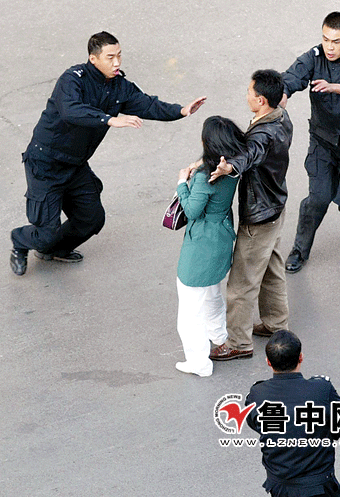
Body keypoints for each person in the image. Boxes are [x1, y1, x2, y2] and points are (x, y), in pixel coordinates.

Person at [10, 31, 206, 276]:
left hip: (76, 165)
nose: (117, 62)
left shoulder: (118, 86)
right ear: (93, 59)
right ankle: (20, 240)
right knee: (45, 232)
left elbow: (146, 104)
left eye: (119, 55)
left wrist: (181, 110)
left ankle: (56, 250)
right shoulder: (73, 79)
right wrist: (109, 119)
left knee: (91, 219)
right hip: (46, 163)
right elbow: (71, 110)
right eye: (110, 57)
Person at [209, 69, 292, 362]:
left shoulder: (263, 134)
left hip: (259, 215)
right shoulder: (280, 115)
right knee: (271, 267)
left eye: (249, 92)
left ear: (260, 101)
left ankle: (238, 342)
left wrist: (228, 167)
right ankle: (275, 323)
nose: (245, 95)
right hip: (276, 206)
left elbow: (250, 153)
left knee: (241, 284)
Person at [283, 12, 340, 273]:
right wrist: (283, 92)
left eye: (336, 41)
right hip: (322, 141)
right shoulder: (314, 57)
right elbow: (293, 76)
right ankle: (300, 251)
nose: (329, 47)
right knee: (318, 198)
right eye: (325, 39)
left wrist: (336, 87)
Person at [175, 116, 246, 377]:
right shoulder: (231, 168)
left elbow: (192, 211)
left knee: (189, 308)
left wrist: (183, 183)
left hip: (202, 243)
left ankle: (199, 363)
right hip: (223, 236)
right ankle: (220, 338)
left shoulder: (206, 177)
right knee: (214, 292)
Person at [245, 330, 340, 497]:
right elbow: (339, 423)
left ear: (268, 362)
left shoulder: (258, 394)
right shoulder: (322, 389)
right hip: (320, 485)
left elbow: (255, 423)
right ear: (301, 357)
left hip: (281, 487)